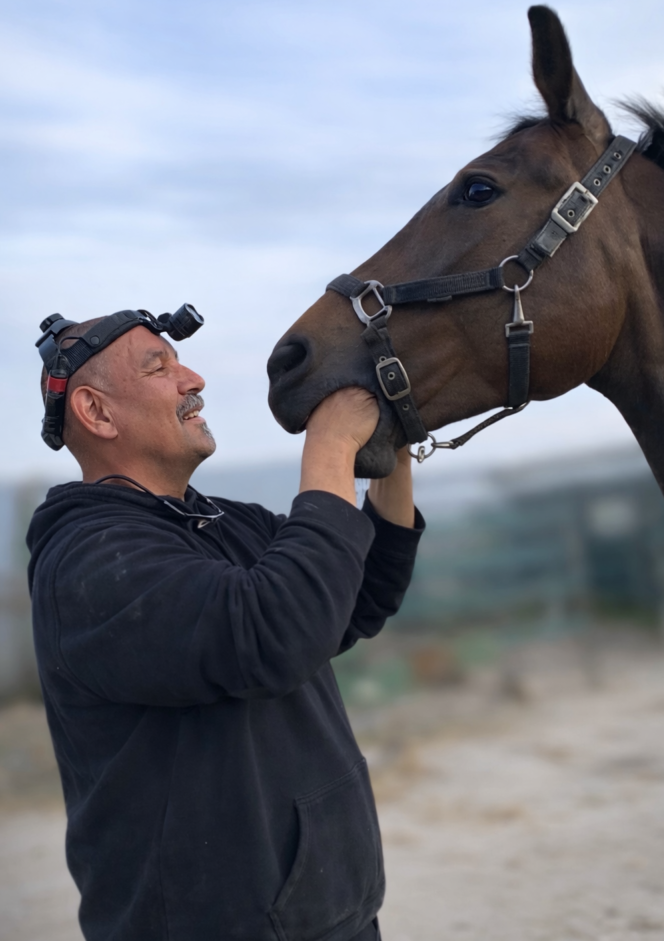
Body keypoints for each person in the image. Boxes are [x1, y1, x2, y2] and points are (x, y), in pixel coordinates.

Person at [27, 305, 424, 941]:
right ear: (97, 413)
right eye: (159, 367)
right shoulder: (91, 559)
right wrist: (328, 447)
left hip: (324, 909)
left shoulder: (221, 520)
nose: (194, 380)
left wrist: (390, 454)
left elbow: (356, 596)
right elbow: (276, 631)